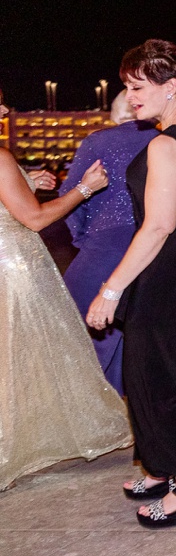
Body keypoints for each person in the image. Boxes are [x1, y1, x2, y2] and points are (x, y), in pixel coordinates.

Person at [83, 39, 176, 526]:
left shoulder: (166, 144)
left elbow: (160, 224)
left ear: (170, 87)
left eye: (139, 87)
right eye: (127, 86)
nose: (130, 96)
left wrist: (111, 288)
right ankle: (161, 466)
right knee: (162, 364)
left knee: (151, 372)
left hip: (171, 262)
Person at [0, 136, 128, 491]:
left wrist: (24, 181)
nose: (5, 108)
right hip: (13, 271)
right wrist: (85, 189)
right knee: (25, 360)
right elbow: (35, 218)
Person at [61, 92, 156, 392]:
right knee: (128, 343)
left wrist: (86, 240)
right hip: (154, 251)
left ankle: (82, 420)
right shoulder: (168, 141)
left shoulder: (98, 142)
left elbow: (71, 199)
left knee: (78, 342)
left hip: (104, 251)